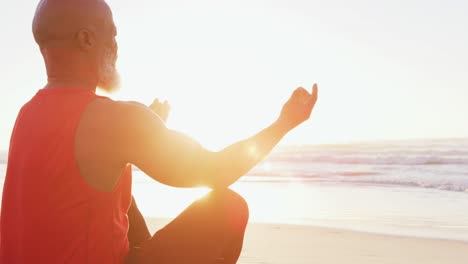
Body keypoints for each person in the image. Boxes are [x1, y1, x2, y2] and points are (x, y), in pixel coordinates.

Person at [0, 0, 318, 263]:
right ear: (86, 39)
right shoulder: (114, 119)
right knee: (230, 208)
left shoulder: (26, 115)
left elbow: (74, 189)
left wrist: (136, 141)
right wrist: (283, 124)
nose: (115, 45)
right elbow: (217, 169)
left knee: (120, 187)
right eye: (112, 34)